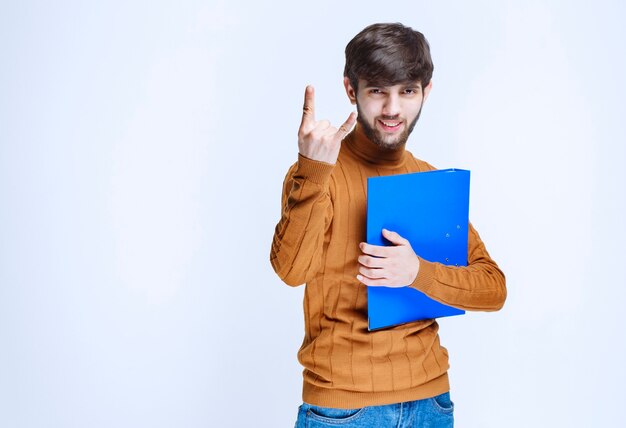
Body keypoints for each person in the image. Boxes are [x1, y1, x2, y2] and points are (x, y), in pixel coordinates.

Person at [270, 22, 506, 427]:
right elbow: (291, 271)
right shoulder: (316, 172)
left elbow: (493, 289)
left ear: (425, 92)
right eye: (378, 90)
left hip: (431, 403)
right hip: (342, 410)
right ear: (351, 90)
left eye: (407, 91)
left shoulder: (429, 180)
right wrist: (313, 169)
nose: (393, 108)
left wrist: (418, 273)